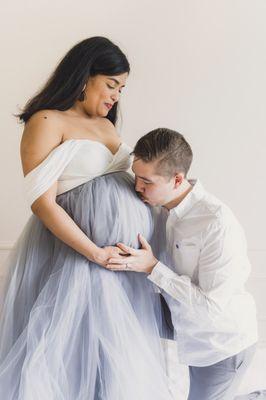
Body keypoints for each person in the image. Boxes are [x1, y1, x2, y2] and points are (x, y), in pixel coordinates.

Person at [0, 38, 176, 400]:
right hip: (78, 258)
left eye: (122, 88)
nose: (116, 96)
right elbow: (42, 203)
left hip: (122, 265)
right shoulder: (46, 121)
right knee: (67, 356)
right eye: (111, 84)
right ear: (84, 76)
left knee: (115, 360)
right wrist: (95, 252)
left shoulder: (107, 126)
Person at [107, 128, 259, 400]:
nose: (137, 187)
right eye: (136, 177)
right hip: (186, 329)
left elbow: (210, 307)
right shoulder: (155, 207)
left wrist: (152, 268)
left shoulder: (216, 223)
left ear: (177, 179)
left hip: (221, 346)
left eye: (147, 181)